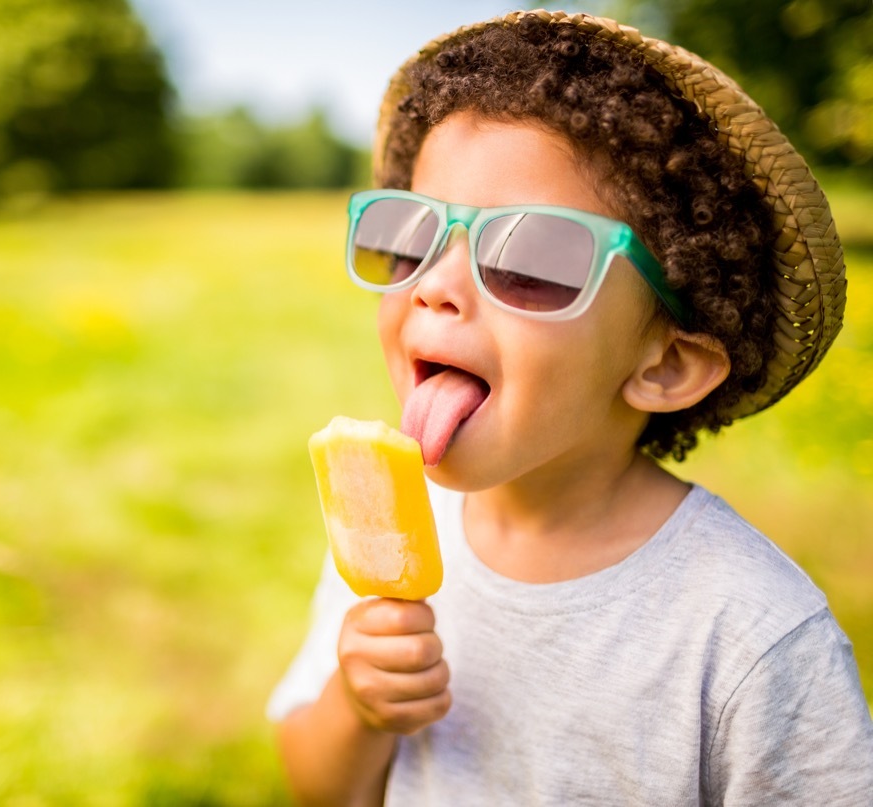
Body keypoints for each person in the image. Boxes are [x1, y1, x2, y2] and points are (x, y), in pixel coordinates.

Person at [267, 10, 873, 806]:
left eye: (529, 258)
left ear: (667, 363)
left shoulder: (748, 632)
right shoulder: (390, 538)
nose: (435, 285)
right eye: (412, 236)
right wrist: (358, 706)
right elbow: (319, 787)